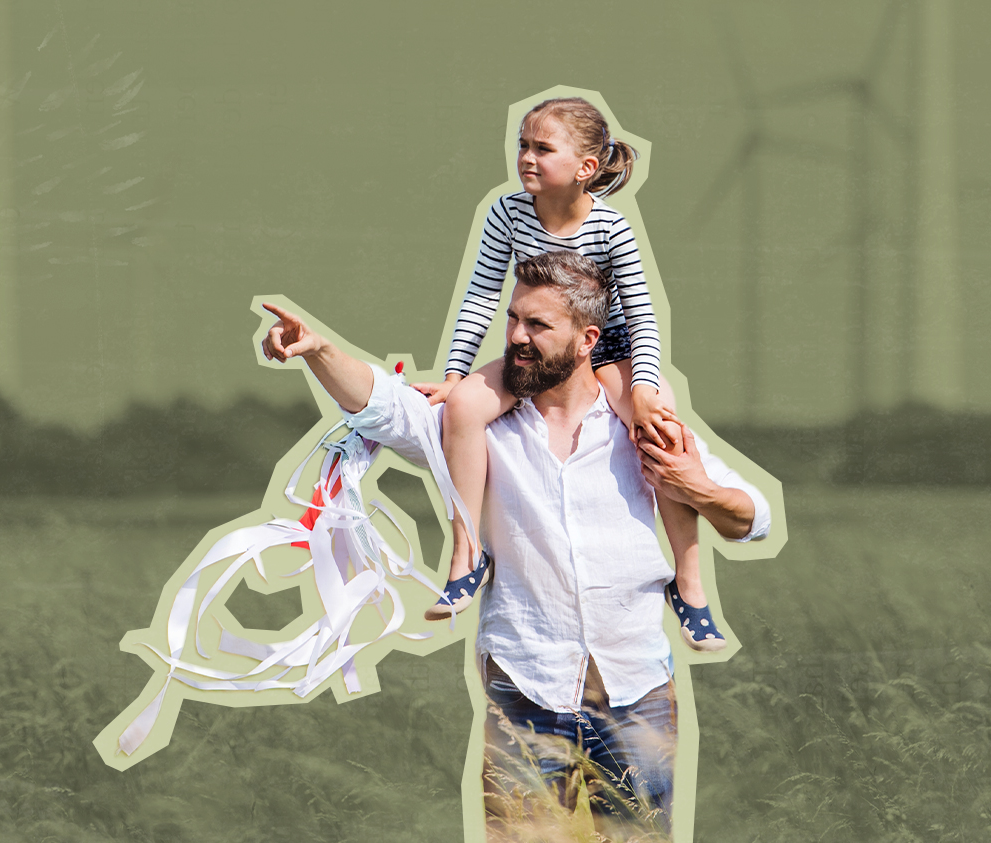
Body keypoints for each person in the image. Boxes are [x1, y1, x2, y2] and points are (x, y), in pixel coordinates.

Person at [260, 250, 770, 836]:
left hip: (637, 689)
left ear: (588, 339)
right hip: (524, 685)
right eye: (513, 320)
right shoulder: (472, 426)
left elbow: (751, 518)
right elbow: (383, 407)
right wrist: (320, 350)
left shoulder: (639, 422)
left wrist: (695, 486)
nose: (517, 338)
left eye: (538, 325)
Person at [410, 97, 721, 652]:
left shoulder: (611, 227)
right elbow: (481, 296)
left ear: (585, 167)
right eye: (522, 146)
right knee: (462, 409)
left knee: (663, 431)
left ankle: (691, 587)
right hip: (536, 350)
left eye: (542, 148)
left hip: (611, 348)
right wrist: (457, 374)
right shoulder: (507, 212)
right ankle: (465, 555)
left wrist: (645, 388)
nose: (526, 158)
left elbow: (644, 312)